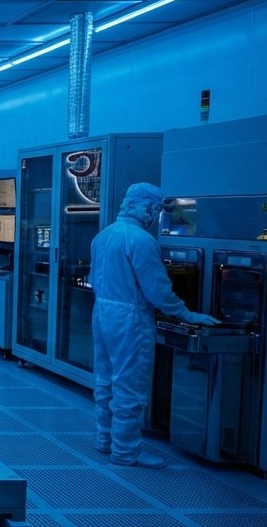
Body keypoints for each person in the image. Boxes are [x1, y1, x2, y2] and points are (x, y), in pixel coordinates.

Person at [90, 183, 220, 468]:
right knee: (130, 384)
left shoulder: (103, 235)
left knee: (105, 378)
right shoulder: (140, 240)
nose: (155, 215)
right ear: (146, 207)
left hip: (102, 311)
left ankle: (104, 438)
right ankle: (125, 451)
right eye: (156, 209)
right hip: (129, 318)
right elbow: (157, 290)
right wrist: (186, 314)